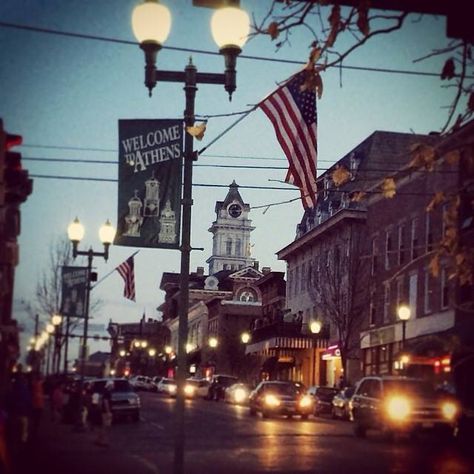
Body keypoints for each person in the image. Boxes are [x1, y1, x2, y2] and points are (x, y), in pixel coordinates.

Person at [29, 372, 45, 442]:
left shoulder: (36, 385)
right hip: (37, 405)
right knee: (36, 420)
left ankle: (34, 432)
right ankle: (34, 433)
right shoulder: (38, 385)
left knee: (35, 420)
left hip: (37, 404)